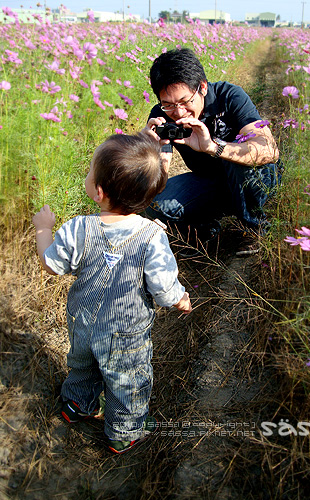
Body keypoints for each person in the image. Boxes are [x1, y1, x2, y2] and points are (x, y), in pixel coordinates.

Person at [32, 133, 192, 454]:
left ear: (99, 192)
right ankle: (124, 431)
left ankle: (77, 405)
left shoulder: (79, 227)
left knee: (82, 365)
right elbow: (162, 286)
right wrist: (180, 298)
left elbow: (51, 263)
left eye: (90, 173)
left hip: (81, 321)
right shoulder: (152, 236)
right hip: (125, 335)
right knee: (127, 381)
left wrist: (43, 228)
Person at [143, 48, 283, 257]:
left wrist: (214, 147)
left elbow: (269, 150)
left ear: (202, 87)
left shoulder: (230, 97)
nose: (179, 112)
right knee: (155, 202)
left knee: (238, 159)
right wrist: (148, 150)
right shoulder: (161, 116)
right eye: (168, 105)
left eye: (185, 101)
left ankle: (256, 226)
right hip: (210, 183)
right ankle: (205, 231)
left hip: (254, 179)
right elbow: (159, 179)